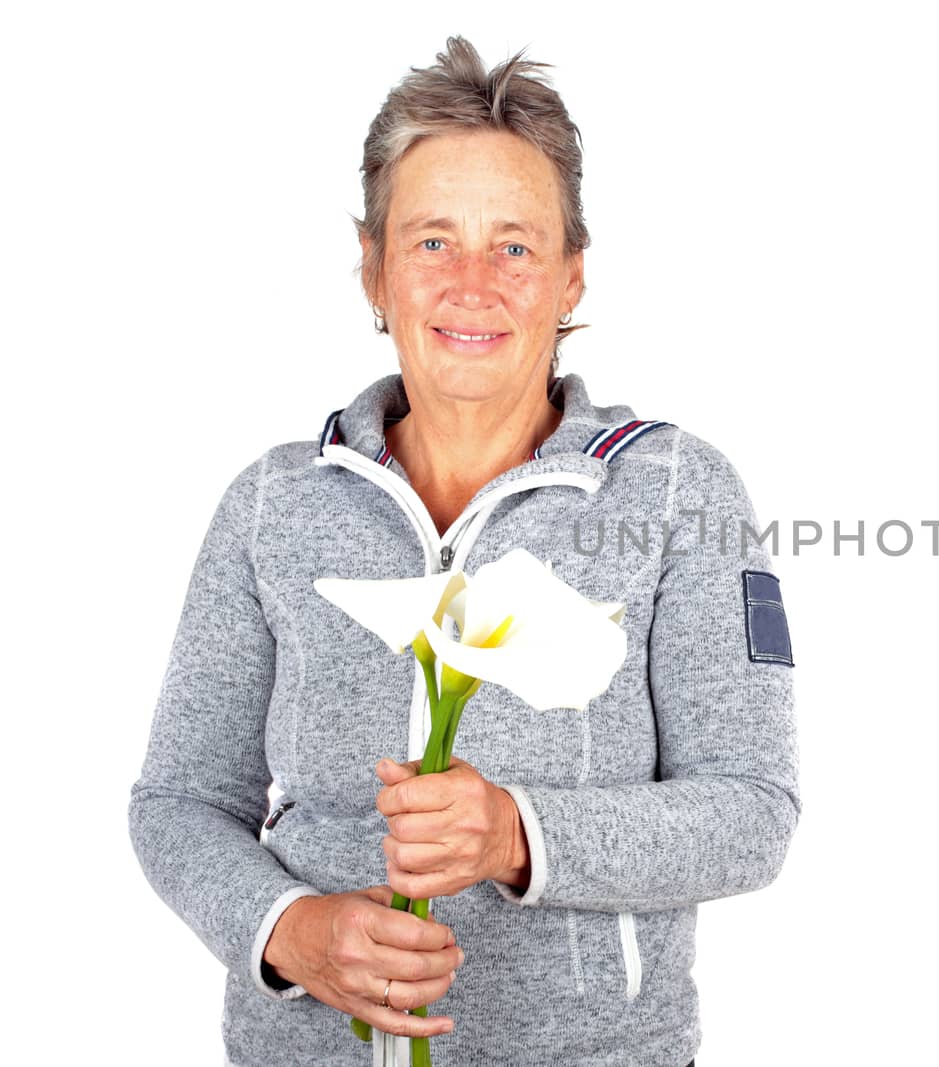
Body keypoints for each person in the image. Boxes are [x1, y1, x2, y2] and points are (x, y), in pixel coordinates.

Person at [128, 37, 799, 1067]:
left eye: (515, 246)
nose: (472, 282)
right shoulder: (273, 503)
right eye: (433, 241)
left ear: (572, 276)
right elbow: (178, 801)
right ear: (375, 268)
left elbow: (751, 811)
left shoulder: (674, 490)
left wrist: (512, 831)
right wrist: (289, 929)